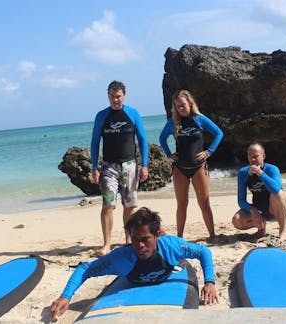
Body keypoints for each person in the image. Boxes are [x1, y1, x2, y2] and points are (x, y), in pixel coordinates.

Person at [50, 207, 218, 320]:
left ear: (156, 235)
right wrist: (66, 296)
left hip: (168, 257)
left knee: (174, 247)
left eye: (145, 239)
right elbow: (86, 269)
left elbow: (203, 252)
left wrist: (209, 282)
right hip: (135, 266)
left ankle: (157, 227)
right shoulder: (122, 257)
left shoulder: (171, 246)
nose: (140, 245)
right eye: (135, 239)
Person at [90, 80, 149, 256]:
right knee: (108, 204)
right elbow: (94, 143)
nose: (115, 100)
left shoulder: (133, 113)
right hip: (109, 166)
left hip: (130, 165)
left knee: (129, 205)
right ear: (107, 95)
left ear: (124, 95)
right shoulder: (102, 116)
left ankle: (128, 239)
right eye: (111, 96)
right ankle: (107, 244)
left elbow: (143, 140)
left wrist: (144, 165)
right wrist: (94, 167)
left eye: (118, 96)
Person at [159, 90, 223, 240]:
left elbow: (218, 133)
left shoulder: (199, 119)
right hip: (180, 169)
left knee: (204, 203)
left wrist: (209, 152)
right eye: (177, 107)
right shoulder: (173, 123)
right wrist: (169, 154)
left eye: (182, 105)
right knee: (182, 204)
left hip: (199, 167)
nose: (181, 108)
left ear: (190, 103)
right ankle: (179, 236)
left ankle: (212, 235)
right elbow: (162, 138)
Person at [232, 142, 286, 241]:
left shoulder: (272, 169)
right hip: (259, 208)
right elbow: (241, 200)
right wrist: (252, 210)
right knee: (237, 220)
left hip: (276, 209)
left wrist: (260, 173)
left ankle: (283, 230)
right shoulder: (243, 172)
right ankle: (261, 229)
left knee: (280, 194)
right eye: (250, 157)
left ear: (263, 156)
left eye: (256, 156)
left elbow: (276, 189)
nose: (253, 160)